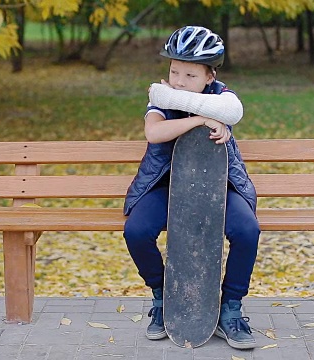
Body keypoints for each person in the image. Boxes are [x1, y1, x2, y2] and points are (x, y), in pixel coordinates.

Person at [123, 26, 260, 350]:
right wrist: (199, 120)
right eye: (174, 72)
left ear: (209, 76)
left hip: (216, 185)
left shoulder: (222, 97)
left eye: (189, 74)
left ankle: (230, 308)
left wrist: (216, 119)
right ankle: (163, 298)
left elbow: (232, 111)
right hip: (165, 185)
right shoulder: (161, 97)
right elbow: (154, 133)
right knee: (137, 231)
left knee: (247, 230)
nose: (179, 81)